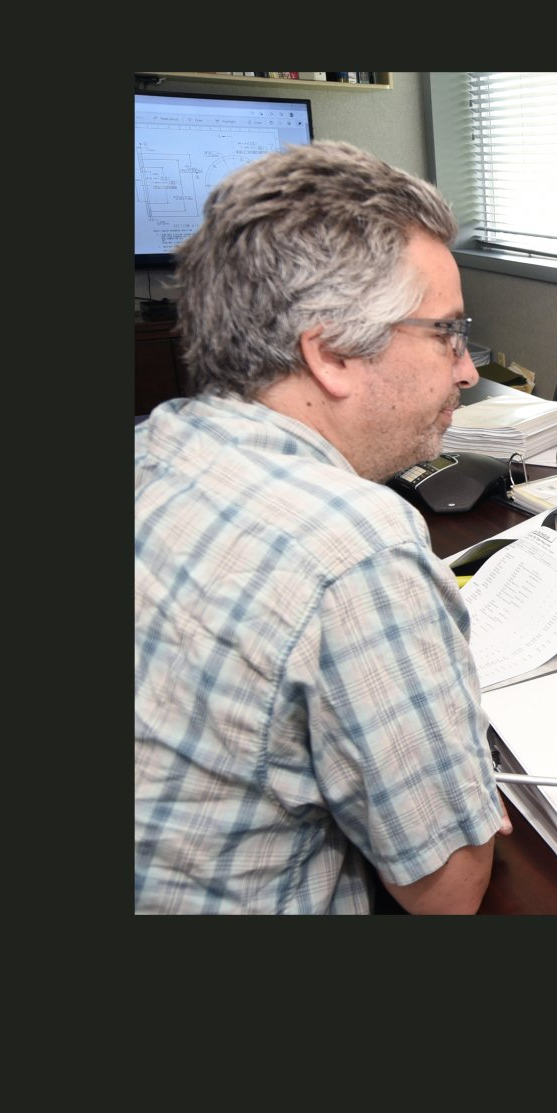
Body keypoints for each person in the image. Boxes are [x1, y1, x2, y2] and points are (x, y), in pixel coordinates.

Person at [135, 140, 512, 914]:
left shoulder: (154, 439)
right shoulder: (355, 549)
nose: (467, 368)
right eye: (446, 331)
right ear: (333, 351)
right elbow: (449, 889)